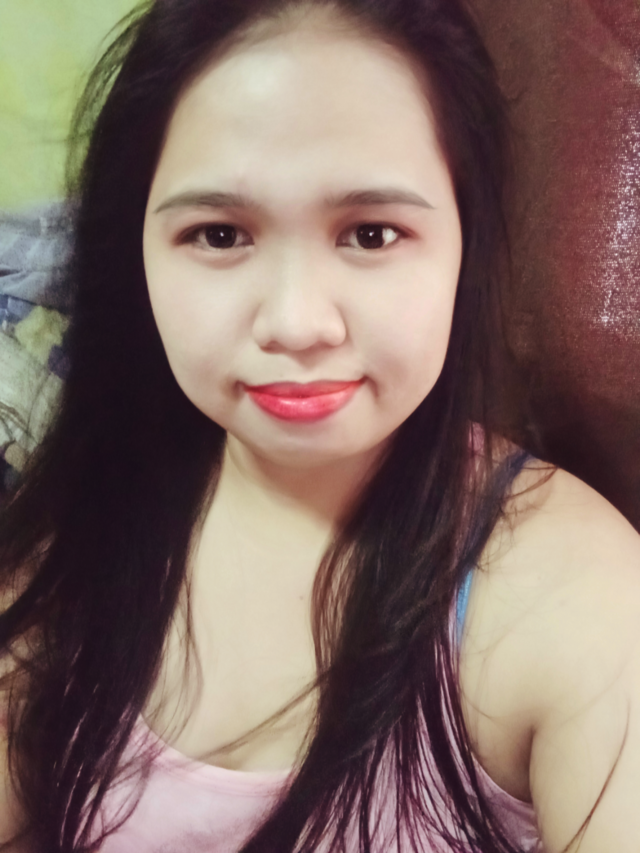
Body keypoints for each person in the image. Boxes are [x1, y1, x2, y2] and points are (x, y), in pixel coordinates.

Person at [1, 0, 639, 850]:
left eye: (372, 234)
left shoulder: (575, 597)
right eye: (219, 234)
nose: (297, 323)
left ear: (467, 241)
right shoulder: (80, 534)